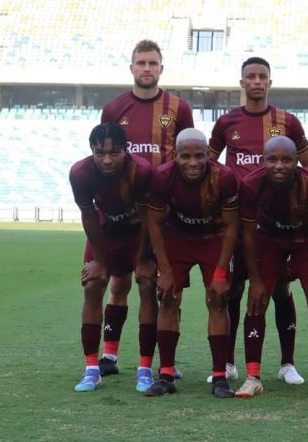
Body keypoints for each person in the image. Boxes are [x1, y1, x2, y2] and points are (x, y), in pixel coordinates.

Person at [208, 56, 308, 385]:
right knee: (236, 290)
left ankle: (287, 363)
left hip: (278, 224)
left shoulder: (288, 121)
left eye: (262, 76)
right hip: (239, 223)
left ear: (270, 82)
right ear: (241, 83)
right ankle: (227, 363)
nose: (256, 81)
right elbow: (210, 167)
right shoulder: (226, 122)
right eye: (250, 76)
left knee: (281, 289)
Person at [97, 39, 194, 378]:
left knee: (164, 288)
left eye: (153, 63)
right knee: (119, 283)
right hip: (122, 214)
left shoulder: (178, 108)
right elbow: (103, 156)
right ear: (132, 68)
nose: (147, 69)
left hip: (162, 214)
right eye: (141, 63)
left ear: (161, 68)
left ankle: (165, 362)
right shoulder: (114, 109)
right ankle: (109, 355)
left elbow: (188, 155)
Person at [144, 129, 239, 398]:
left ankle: (220, 377)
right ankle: (165, 374)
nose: (193, 162)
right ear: (175, 156)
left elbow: (232, 227)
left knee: (218, 300)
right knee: (169, 299)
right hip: (177, 238)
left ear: (208, 154)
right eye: (186, 156)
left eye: (199, 155)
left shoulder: (225, 177)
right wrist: (163, 269)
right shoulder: (161, 177)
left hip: (214, 239)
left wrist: (221, 272)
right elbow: (154, 223)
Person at [236, 136, 308, 399]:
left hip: (304, 242)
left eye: (286, 160)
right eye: (272, 159)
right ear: (263, 160)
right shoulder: (251, 184)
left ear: (296, 161)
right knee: (256, 300)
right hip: (268, 242)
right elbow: (248, 234)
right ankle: (253, 377)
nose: (279, 165)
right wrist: (255, 280)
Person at [69, 123, 155, 392]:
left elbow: (148, 220)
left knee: (147, 283)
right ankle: (92, 369)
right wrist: (99, 259)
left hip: (137, 233)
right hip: (104, 233)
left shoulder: (141, 172)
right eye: (99, 153)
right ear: (92, 152)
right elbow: (88, 215)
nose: (106, 159)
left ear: (126, 150)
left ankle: (145, 369)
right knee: (93, 285)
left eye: (114, 152)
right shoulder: (80, 173)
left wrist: (142, 259)